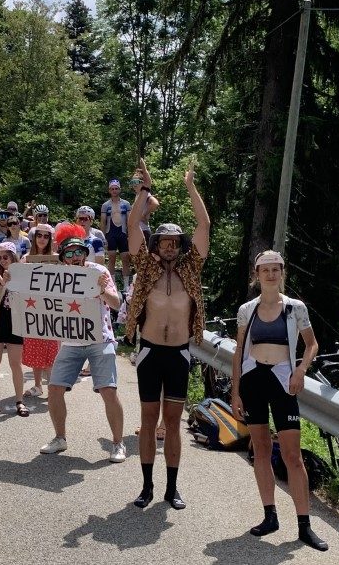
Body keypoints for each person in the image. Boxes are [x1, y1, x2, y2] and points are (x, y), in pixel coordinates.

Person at [126, 159, 209, 510]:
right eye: (165, 241)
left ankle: (171, 488)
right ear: (157, 243)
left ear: (181, 245)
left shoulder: (192, 267)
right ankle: (146, 486)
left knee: (172, 424)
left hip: (178, 353)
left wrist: (190, 186)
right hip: (149, 352)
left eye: (176, 242)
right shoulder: (146, 265)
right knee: (147, 423)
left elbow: (204, 224)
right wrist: (144, 191)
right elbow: (132, 225)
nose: (170, 247)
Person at [231, 251, 327, 551]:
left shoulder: (295, 308)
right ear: (256, 274)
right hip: (253, 380)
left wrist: (300, 370)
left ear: (282, 272)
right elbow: (238, 351)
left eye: (276, 269)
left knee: (292, 456)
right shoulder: (247, 309)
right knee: (260, 449)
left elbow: (312, 344)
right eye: (265, 270)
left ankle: (304, 526)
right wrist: (236, 391)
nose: (271, 274)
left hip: (284, 381)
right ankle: (269, 515)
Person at [39, 223, 126, 463]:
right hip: (70, 341)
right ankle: (60, 438)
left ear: (85, 253)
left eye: (79, 251)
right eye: (69, 253)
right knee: (55, 389)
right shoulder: (55, 276)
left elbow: (117, 303)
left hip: (100, 338)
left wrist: (102, 291)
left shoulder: (99, 271)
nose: (75, 256)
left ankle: (118, 443)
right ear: (63, 257)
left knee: (108, 391)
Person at [0, 242, 30, 417]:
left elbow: (21, 298)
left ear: (13, 256)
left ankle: (19, 401)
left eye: (5, 257)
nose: (2, 261)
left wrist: (4, 282)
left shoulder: (21, 274)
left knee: (15, 363)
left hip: (15, 320)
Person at [20, 223, 59, 397]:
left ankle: (52, 385)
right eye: (39, 235)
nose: (42, 239)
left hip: (52, 308)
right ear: (34, 237)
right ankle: (37, 385)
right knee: (35, 345)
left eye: (46, 236)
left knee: (52, 346)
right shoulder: (26, 258)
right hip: (32, 307)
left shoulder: (57, 258)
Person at [100, 179, 133, 291]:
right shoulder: (105, 205)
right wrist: (103, 237)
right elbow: (103, 222)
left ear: (119, 189)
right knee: (112, 258)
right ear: (109, 190)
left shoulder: (126, 204)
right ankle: (112, 284)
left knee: (125, 258)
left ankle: (126, 285)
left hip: (123, 233)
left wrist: (131, 235)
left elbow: (130, 221)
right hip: (111, 234)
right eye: (112, 189)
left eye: (116, 188)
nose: (114, 190)